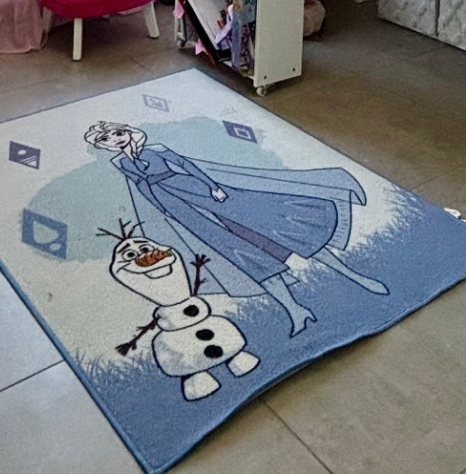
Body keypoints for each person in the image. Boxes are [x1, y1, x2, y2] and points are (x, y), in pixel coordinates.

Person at [84, 120, 387, 336]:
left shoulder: (157, 149)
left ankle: (355, 276)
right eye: (108, 140)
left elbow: (188, 166)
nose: (116, 140)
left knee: (274, 226)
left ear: (127, 132)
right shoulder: (122, 164)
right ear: (104, 146)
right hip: (179, 208)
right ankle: (294, 310)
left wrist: (213, 187)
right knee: (238, 253)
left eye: (118, 133)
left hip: (197, 191)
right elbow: (143, 187)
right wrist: (165, 211)